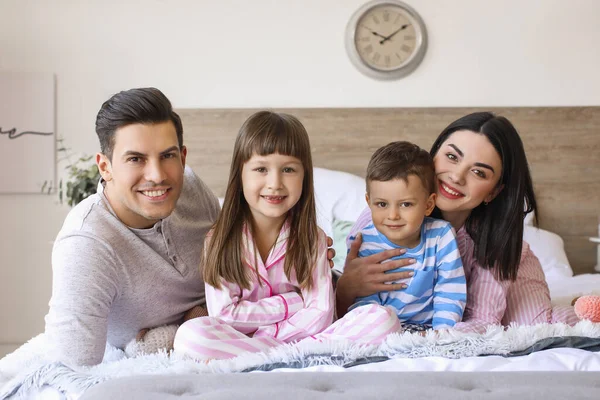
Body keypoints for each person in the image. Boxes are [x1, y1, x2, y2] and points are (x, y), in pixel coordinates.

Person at [337, 111, 597, 332]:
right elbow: (349, 302)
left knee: (536, 329)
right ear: (433, 154)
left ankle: (583, 309)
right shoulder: (386, 211)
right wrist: (346, 288)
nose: (457, 177)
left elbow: (483, 321)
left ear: (494, 191)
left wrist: (430, 339)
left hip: (511, 274)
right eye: (452, 157)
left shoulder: (494, 243)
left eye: (478, 172)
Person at [44, 88, 221, 367]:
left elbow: (239, 268)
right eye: (135, 159)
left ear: (183, 157)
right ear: (105, 167)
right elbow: (70, 368)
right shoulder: (87, 243)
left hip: (226, 334)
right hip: (156, 357)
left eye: (168, 156)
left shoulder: (192, 188)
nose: (157, 176)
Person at [173, 111, 335, 360]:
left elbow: (321, 314)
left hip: (287, 341)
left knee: (381, 320)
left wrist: (265, 336)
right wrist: (291, 302)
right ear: (240, 175)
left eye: (289, 169)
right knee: (190, 336)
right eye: (261, 169)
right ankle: (285, 356)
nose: (275, 183)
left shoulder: (313, 238)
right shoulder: (219, 240)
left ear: (305, 175)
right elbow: (224, 316)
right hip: (293, 344)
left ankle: (266, 355)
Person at [348, 141, 466, 331]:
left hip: (428, 329)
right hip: (381, 330)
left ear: (428, 205)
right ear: (369, 202)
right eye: (382, 204)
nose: (393, 215)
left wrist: (442, 335)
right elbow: (364, 301)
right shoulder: (363, 241)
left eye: (406, 204)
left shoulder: (441, 236)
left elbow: (450, 290)